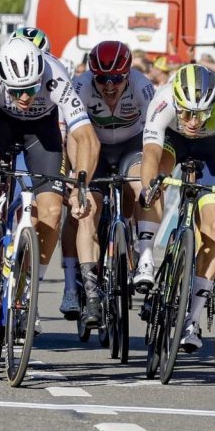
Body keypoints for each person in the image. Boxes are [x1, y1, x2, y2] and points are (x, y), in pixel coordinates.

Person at [0, 36, 97, 321]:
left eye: (31, 89)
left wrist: (80, 186)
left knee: (52, 211)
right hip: (0, 124)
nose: (24, 97)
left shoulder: (53, 73)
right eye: (17, 91)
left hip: (41, 130)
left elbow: (87, 138)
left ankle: (29, 289)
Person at [137, 64, 215, 352]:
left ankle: (191, 318)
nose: (193, 121)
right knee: (155, 183)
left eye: (201, 114)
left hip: (212, 149)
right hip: (173, 142)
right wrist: (150, 187)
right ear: (176, 103)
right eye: (186, 113)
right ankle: (145, 257)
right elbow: (151, 152)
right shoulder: (164, 99)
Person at [63, 40, 156, 328]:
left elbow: (156, 132)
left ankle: (142, 254)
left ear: (128, 74)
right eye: (102, 78)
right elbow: (72, 137)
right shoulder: (81, 86)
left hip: (132, 146)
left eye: (116, 78)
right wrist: (77, 176)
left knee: (142, 187)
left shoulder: (141, 85)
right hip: (94, 149)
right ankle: (90, 291)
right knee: (88, 210)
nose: (109, 85)